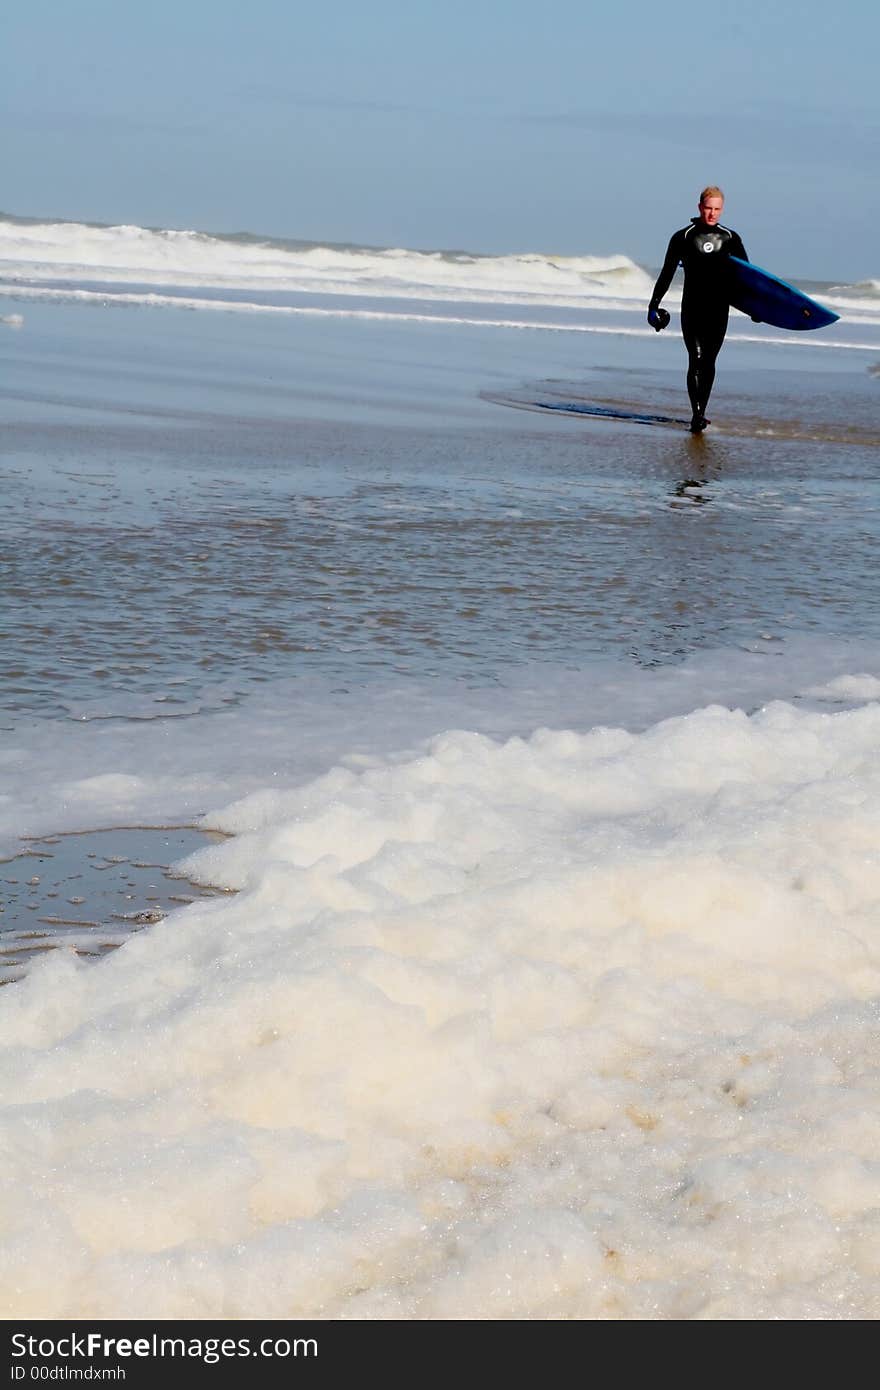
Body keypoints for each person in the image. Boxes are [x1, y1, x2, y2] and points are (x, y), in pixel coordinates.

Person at [647, 186, 748, 433]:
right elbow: (667, 272)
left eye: (717, 209)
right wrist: (653, 305)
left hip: (719, 309)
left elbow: (747, 277)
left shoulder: (730, 238)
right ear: (699, 207)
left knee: (710, 362)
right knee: (697, 358)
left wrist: (757, 309)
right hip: (692, 307)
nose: (712, 214)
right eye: (708, 208)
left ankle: (702, 410)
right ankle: (697, 414)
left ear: (722, 210)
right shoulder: (683, 237)